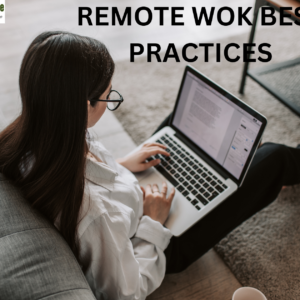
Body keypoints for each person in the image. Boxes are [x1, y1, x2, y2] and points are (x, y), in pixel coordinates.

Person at [0, 31, 299, 300]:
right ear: (83, 106)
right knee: (276, 158)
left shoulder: (33, 137)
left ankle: (237, 156)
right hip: (159, 241)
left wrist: (120, 165)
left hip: (134, 200)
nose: (110, 100)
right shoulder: (96, 215)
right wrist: (154, 222)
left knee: (177, 128)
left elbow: (80, 177)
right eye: (108, 96)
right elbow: (127, 292)